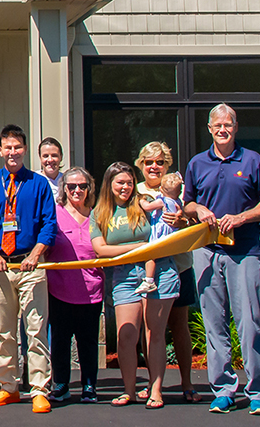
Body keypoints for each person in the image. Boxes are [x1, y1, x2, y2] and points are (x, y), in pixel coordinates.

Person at [183, 104, 260, 415]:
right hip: (207, 251)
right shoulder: (198, 163)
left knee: (249, 321)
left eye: (228, 124)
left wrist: (240, 218)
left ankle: (258, 392)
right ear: (209, 129)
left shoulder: (252, 160)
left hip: (244, 251)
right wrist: (199, 211)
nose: (222, 129)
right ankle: (223, 389)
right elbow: (188, 205)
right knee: (214, 323)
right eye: (217, 125)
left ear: (236, 128)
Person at [0, 124, 56, 413]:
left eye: (18, 147)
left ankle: (39, 389)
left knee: (35, 330)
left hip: (31, 264)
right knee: (5, 331)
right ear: (0, 150)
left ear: (25, 150)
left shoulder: (38, 183)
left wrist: (36, 254)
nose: (13, 152)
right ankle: (8, 386)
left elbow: (49, 224)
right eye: (7, 147)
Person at [91, 162, 178, 409]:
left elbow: (169, 222)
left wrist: (179, 218)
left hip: (158, 271)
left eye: (129, 182)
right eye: (120, 182)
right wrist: (139, 247)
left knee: (154, 333)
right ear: (109, 184)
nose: (126, 187)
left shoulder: (145, 203)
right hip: (124, 275)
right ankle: (128, 390)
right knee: (126, 334)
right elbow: (101, 249)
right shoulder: (100, 212)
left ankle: (156, 390)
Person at [134, 141, 199, 403]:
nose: (154, 167)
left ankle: (187, 383)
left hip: (180, 266)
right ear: (141, 165)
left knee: (179, 326)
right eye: (149, 162)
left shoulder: (179, 191)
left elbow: (196, 224)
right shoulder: (134, 190)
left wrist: (183, 220)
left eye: (160, 162)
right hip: (147, 270)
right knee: (150, 330)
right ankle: (153, 385)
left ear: (167, 165)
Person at [46, 167, 102, 404]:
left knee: (88, 340)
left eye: (82, 186)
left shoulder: (98, 215)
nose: (77, 190)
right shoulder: (54, 213)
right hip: (58, 288)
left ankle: (89, 385)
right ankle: (61, 384)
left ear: (89, 188)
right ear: (64, 189)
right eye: (71, 186)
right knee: (60, 339)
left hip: (91, 290)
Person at [136, 172, 184, 295]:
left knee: (150, 254)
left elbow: (147, 207)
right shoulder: (177, 202)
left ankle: (149, 280)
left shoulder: (163, 201)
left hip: (160, 232)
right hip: (171, 233)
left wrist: (140, 200)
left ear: (161, 189)